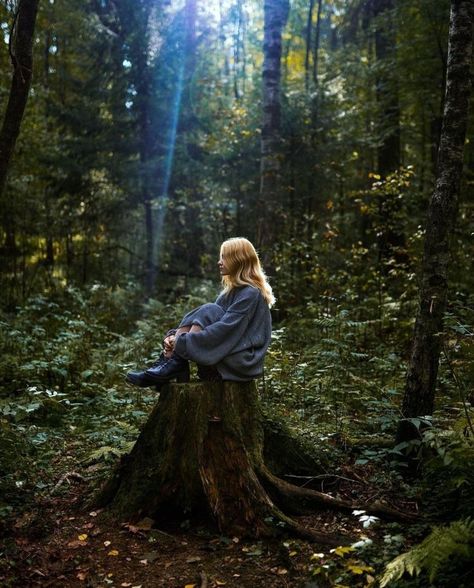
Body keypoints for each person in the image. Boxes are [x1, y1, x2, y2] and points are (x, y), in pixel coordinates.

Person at [126, 237, 274, 386]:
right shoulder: (231, 293)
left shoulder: (251, 293)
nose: (219, 262)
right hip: (230, 353)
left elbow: (224, 331)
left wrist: (180, 342)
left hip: (243, 362)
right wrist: (174, 337)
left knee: (209, 309)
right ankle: (171, 361)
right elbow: (207, 322)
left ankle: (174, 363)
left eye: (224, 257)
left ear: (239, 259)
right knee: (209, 310)